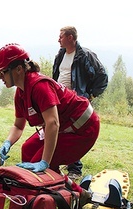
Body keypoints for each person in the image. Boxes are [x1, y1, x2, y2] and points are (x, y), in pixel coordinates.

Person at [0, 43, 98, 205]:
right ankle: (75, 193)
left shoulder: (39, 86)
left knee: (40, 168)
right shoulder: (20, 93)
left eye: (3, 71)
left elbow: (53, 123)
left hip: (83, 129)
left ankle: (58, 196)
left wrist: (45, 162)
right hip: (65, 126)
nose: (1, 76)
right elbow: (18, 126)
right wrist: (7, 143)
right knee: (27, 150)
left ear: (19, 69)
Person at [52, 26, 108, 179]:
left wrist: (90, 95)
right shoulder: (61, 54)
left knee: (72, 132)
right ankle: (53, 163)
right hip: (59, 99)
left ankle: (75, 169)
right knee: (55, 129)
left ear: (70, 37)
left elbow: (102, 77)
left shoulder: (85, 55)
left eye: (61, 36)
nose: (58, 39)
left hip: (75, 101)